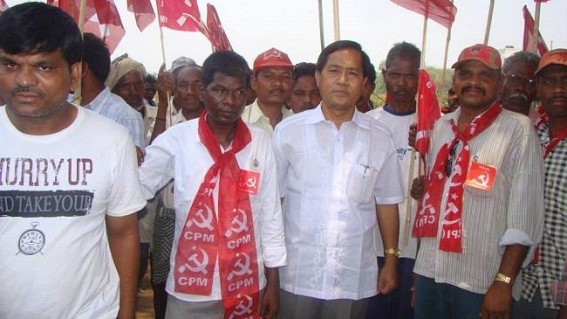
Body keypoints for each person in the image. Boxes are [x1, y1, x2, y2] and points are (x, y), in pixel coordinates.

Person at [0, 3, 146, 318]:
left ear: (74, 73)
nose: (23, 80)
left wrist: (127, 311)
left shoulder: (111, 140)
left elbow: (123, 233)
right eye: (10, 65)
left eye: (43, 67)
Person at [139, 50, 286, 319]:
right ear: (203, 92)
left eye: (239, 92)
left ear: (248, 94)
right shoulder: (177, 140)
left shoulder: (259, 143)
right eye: (219, 90)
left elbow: (270, 215)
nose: (230, 101)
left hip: (248, 284)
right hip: (191, 289)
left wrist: (273, 284)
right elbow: (136, 190)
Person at [411, 44, 544, 319]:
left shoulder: (518, 130)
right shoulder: (441, 127)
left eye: (485, 75)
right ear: (455, 80)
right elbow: (436, 203)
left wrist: (503, 282)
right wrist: (420, 273)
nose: (473, 82)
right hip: (430, 272)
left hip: (480, 281)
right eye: (465, 74)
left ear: (500, 82)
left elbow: (525, 216)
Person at [273, 40, 404, 319]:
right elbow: (272, 203)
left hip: (352, 276)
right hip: (297, 273)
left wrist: (391, 259)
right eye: (334, 71)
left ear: (364, 83)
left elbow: (388, 202)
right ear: (319, 77)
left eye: (352, 73)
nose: (342, 80)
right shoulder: (288, 133)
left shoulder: (380, 137)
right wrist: (269, 268)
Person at [366, 41, 421, 319]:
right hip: (371, 245)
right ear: (385, 74)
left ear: (419, 78)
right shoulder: (366, 123)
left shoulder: (434, 124)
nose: (402, 82)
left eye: (410, 75)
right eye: (396, 74)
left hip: (414, 247)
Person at [513, 48, 567, 319]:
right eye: (549, 81)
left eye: (566, 80)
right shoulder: (532, 137)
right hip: (524, 282)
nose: (559, 89)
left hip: (559, 288)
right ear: (538, 89)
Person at [149, 56, 204, 319]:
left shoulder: (218, 124)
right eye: (183, 85)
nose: (190, 92)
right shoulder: (169, 121)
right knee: (163, 284)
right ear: (174, 89)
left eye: (197, 84)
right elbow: (151, 163)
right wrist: (162, 104)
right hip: (169, 217)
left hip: (203, 222)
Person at [80, 32, 145, 149]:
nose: (134, 92)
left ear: (81, 69)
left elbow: (131, 165)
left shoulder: (125, 117)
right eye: (126, 86)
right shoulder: (62, 108)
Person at [242, 47, 294, 135]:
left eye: (285, 76)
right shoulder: (239, 121)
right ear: (254, 83)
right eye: (268, 76)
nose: (277, 83)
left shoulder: (297, 124)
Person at [107, 55, 157, 143]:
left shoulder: (155, 113)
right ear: (114, 90)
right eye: (126, 86)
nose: (134, 92)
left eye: (138, 84)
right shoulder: (108, 119)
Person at [499, 51, 540, 116]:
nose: (521, 88)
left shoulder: (543, 124)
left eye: (530, 82)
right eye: (515, 78)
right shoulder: (482, 117)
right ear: (501, 81)